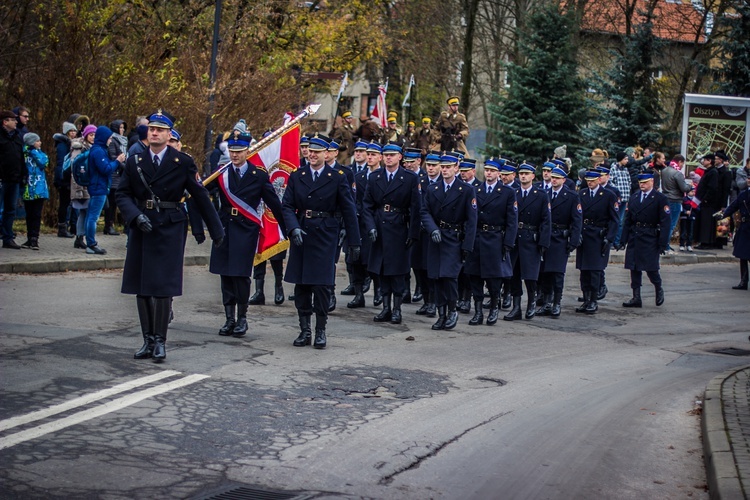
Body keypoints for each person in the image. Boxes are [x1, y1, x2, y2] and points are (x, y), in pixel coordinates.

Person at [116, 110, 224, 361]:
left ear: (169, 134)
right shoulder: (135, 161)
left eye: (160, 130)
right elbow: (122, 194)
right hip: (142, 226)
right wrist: (134, 215)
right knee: (142, 287)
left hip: (169, 227)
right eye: (151, 129)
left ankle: (161, 342)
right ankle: (147, 340)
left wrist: (216, 229)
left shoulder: (182, 161)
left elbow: (199, 195)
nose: (154, 133)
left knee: (163, 287)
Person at [281, 134, 360, 349]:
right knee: (302, 285)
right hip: (302, 234)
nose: (311, 154)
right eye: (309, 151)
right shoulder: (298, 175)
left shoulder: (337, 177)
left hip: (326, 234)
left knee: (322, 286)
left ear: (327, 154)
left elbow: (348, 209)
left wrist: (354, 241)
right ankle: (304, 330)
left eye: (316, 151)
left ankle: (320, 330)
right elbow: (287, 205)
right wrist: (293, 227)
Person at [208, 131, 286, 337]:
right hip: (224, 228)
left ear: (247, 151)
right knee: (225, 274)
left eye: (239, 151)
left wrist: (287, 228)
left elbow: (274, 204)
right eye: (232, 151)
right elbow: (204, 194)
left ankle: (242, 318)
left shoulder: (258, 175)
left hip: (246, 230)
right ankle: (229, 319)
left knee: (241, 275)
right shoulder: (221, 173)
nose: (235, 155)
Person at [362, 142, 421, 324]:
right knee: (381, 270)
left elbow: (416, 208)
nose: (388, 158)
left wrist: (413, 234)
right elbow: (367, 205)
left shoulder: (409, 178)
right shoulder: (375, 177)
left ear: (399, 157)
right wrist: (370, 226)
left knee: (396, 272)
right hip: (379, 227)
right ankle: (385, 308)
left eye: (392, 155)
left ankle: (397, 309)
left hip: (399, 228)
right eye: (385, 155)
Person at [420, 151, 477, 330]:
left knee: (449, 278)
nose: (444, 170)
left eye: (448, 167)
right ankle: (441, 314)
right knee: (436, 277)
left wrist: (467, 245)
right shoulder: (433, 188)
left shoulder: (466, 190)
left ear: (456, 168)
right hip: (437, 238)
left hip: (454, 238)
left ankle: (452, 310)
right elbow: (425, 212)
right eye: (442, 167)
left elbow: (471, 220)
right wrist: (432, 229)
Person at [463, 157, 518, 325]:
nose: (489, 173)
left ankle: (494, 307)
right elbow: (468, 216)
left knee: (494, 279)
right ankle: (478, 311)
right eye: (487, 170)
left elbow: (512, 220)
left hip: (495, 239)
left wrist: (508, 243)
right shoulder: (475, 189)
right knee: (475, 276)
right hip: (478, 238)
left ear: (499, 174)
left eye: (493, 171)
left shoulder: (507, 192)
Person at [504, 162, 551, 321]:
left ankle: (531, 303)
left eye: (527, 174)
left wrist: (543, 242)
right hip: (515, 237)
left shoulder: (541, 195)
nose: (523, 176)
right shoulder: (513, 193)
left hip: (531, 238)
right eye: (521, 174)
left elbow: (546, 220)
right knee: (513, 274)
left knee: (530, 275)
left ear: (532, 176)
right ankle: (516, 307)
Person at [618, 172, 671, 307]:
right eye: (640, 183)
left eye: (645, 182)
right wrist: (623, 240)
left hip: (650, 236)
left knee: (651, 268)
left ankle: (658, 288)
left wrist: (663, 243)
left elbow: (665, 222)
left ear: (651, 182)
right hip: (635, 235)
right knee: (634, 268)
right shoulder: (634, 197)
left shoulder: (660, 198)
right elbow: (628, 220)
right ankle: (636, 297)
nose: (642, 185)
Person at [536, 166, 582, 318]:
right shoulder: (544, 194)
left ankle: (556, 302)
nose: (553, 180)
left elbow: (576, 220)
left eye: (557, 178)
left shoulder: (571, 196)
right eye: (552, 177)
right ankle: (547, 302)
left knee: (557, 273)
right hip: (546, 237)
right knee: (544, 273)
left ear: (563, 180)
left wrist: (573, 241)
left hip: (560, 238)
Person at [575, 169, 619, 314]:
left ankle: (593, 300)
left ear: (599, 180)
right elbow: (577, 216)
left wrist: (609, 238)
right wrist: (576, 233)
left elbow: (614, 220)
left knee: (594, 270)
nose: (590, 183)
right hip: (584, 236)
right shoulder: (582, 194)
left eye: (593, 181)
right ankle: (586, 298)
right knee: (584, 271)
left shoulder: (608, 195)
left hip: (598, 237)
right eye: (588, 181)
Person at [347, 141, 383, 309]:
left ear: (380, 158)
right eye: (368, 154)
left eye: (373, 155)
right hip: (359, 222)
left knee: (373, 259)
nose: (369, 157)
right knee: (355, 259)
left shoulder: (383, 176)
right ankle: (359, 294)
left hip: (376, 223)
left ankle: (378, 291)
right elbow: (353, 198)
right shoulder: (359, 176)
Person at [85, 126, 125, 255]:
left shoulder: (100, 149)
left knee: (91, 215)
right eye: (109, 138)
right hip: (98, 187)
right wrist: (118, 161)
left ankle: (89, 243)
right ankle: (91, 244)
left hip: (98, 186)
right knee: (93, 217)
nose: (111, 140)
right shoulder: (98, 151)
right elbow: (106, 169)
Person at [414, 151, 442, 318]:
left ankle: (433, 302)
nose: (430, 168)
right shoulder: (420, 181)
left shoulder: (442, 183)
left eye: (434, 165)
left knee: (431, 269)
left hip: (435, 232)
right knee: (418, 268)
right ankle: (426, 301)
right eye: (429, 165)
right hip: (419, 231)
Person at [717, 174, 750, 290]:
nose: (749, 181)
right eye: (748, 178)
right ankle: (743, 282)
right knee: (743, 255)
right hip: (745, 227)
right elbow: (733, 207)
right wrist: (721, 215)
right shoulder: (743, 194)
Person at [654, 152, 692, 251]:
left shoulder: (665, 170)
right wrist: (690, 186)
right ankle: (665, 246)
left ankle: (663, 244)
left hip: (666, 198)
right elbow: (684, 188)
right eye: (682, 164)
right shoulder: (677, 173)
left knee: (665, 223)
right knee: (671, 225)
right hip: (675, 200)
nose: (682, 166)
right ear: (679, 162)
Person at [0, 110, 26, 249]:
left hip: (14, 178)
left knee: (11, 209)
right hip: (2, 179)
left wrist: (23, 174)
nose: (16, 122)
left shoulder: (16, 136)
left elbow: (20, 157)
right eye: (13, 119)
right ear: (5, 122)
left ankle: (7, 238)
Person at [20, 133, 49, 250]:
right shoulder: (23, 154)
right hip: (27, 188)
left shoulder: (39, 153)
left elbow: (44, 162)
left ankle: (34, 238)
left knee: (36, 214)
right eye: (37, 141)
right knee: (29, 214)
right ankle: (29, 237)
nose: (40, 143)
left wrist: (34, 152)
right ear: (32, 142)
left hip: (39, 189)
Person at [71, 125, 96, 249]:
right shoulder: (79, 148)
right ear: (86, 135)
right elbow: (75, 168)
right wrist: (79, 187)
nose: (93, 137)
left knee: (85, 212)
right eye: (91, 135)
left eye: (95, 135)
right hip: (82, 185)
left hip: (89, 184)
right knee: (85, 212)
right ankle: (80, 237)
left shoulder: (92, 148)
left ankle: (81, 236)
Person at [52, 122, 78, 238]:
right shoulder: (63, 144)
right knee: (64, 203)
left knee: (68, 203)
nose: (73, 133)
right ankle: (62, 227)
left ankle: (66, 226)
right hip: (64, 177)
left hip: (69, 176)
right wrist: (62, 178)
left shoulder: (71, 143)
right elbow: (61, 163)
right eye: (71, 131)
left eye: (74, 131)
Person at [105, 119, 128, 236]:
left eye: (123, 127)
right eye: (120, 127)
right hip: (115, 174)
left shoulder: (123, 141)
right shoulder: (113, 141)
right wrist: (125, 166)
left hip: (120, 173)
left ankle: (111, 224)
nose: (122, 130)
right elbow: (115, 157)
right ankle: (108, 225)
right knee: (112, 202)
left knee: (115, 201)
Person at [695, 153, 721, 249]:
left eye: (705, 160)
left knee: (707, 223)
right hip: (704, 201)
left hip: (708, 202)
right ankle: (703, 241)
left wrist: (705, 199)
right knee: (703, 222)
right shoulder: (708, 171)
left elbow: (712, 188)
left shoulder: (713, 172)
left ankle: (706, 242)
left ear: (710, 161)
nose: (703, 161)